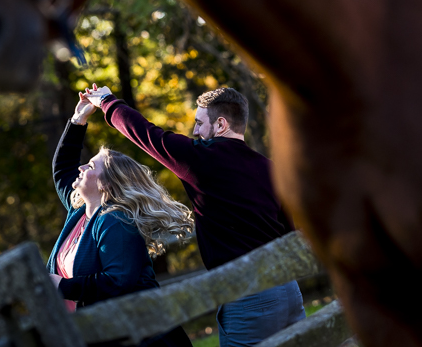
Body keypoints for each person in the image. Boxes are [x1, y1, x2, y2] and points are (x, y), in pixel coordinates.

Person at [79, 84, 306, 347]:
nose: (195, 131)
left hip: (248, 295)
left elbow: (146, 134)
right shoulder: (270, 168)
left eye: (199, 123)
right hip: (288, 289)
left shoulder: (202, 158)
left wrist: (106, 101)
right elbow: (289, 231)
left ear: (220, 124)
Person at [48, 91, 195, 347]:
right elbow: (63, 168)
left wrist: (63, 286)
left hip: (145, 338)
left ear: (107, 184)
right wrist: (78, 119)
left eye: (91, 166)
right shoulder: (79, 212)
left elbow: (118, 282)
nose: (82, 168)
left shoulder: (116, 221)